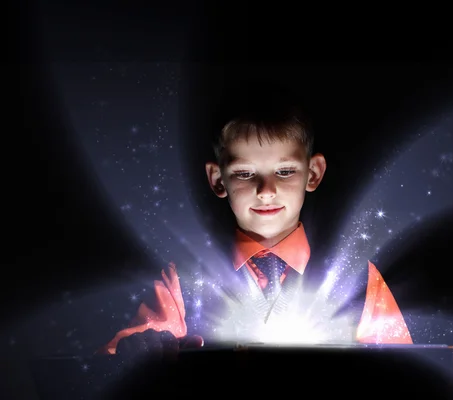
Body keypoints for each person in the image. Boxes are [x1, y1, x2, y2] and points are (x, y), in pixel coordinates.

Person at [98, 82, 413, 356]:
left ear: (313, 173)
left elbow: (403, 371)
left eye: (285, 171)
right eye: (245, 174)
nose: (266, 191)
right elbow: (117, 361)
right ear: (218, 179)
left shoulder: (357, 279)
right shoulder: (183, 283)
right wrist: (136, 352)